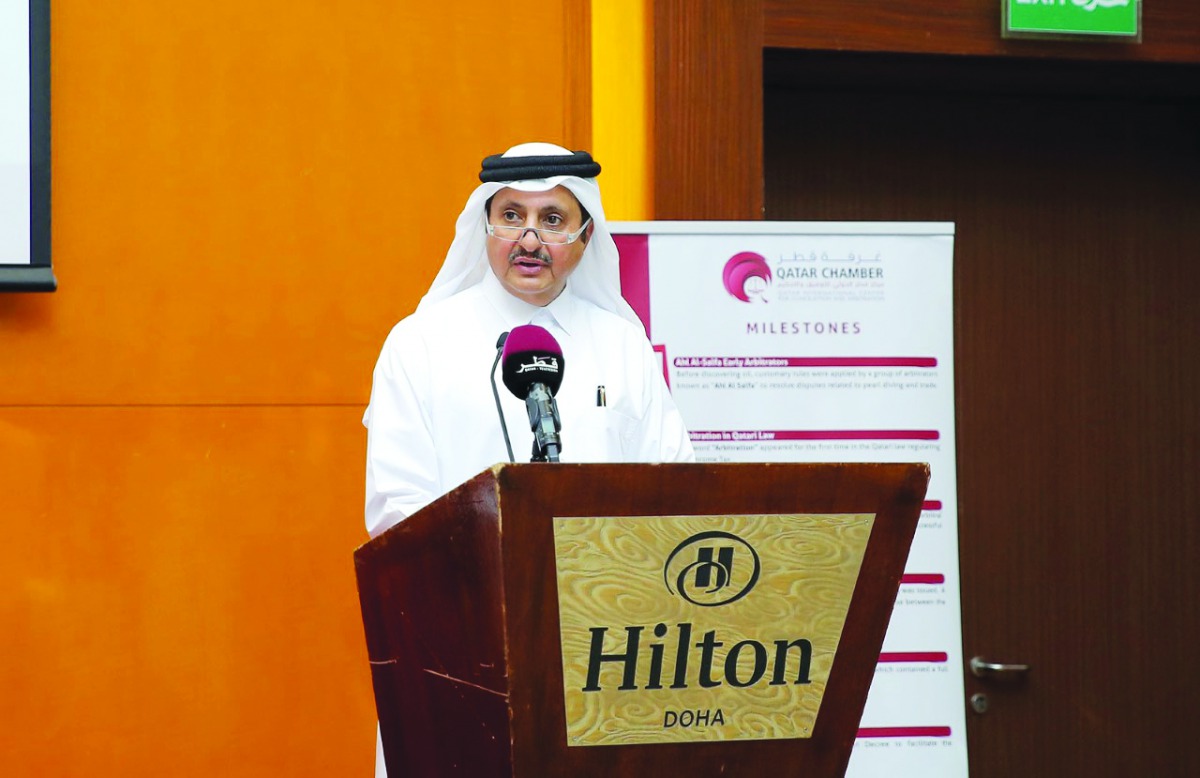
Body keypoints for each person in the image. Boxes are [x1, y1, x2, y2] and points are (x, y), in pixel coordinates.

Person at [361, 142, 694, 775]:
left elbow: (673, 492)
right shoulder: (421, 345)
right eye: (511, 216)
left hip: (607, 651)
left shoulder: (622, 347)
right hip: (459, 651)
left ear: (585, 234)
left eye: (552, 219)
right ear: (484, 226)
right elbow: (396, 514)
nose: (529, 239)